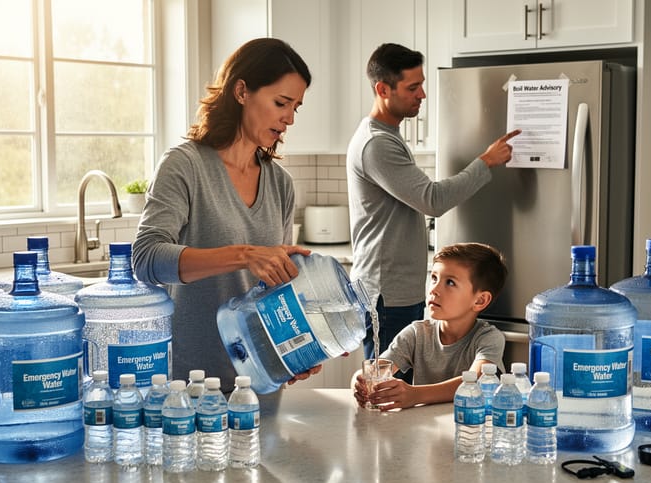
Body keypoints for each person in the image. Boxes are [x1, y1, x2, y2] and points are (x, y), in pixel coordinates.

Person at [132, 38, 321, 391]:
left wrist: (296, 349)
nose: (290, 118)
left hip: (259, 384)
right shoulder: (184, 165)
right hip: (190, 388)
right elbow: (146, 258)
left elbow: (276, 291)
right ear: (241, 91)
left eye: (296, 107)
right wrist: (245, 255)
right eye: (281, 103)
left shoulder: (280, 183)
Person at [346, 42, 520, 362]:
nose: (422, 95)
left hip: (398, 292)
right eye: (413, 87)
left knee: (400, 385)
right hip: (387, 296)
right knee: (385, 385)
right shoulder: (377, 144)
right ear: (383, 89)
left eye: (422, 85)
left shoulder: (387, 135)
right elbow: (433, 200)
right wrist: (486, 161)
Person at [353, 243, 507, 410]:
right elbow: (376, 369)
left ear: (480, 300)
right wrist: (360, 381)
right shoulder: (416, 333)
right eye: (434, 278)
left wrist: (416, 395)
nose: (434, 289)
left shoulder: (489, 338)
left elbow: (478, 381)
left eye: (450, 282)